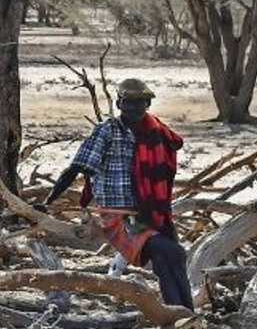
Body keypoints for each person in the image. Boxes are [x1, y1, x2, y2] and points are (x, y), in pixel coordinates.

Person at [36, 78, 193, 309]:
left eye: (140, 102)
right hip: (117, 217)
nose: (135, 108)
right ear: (119, 104)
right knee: (167, 249)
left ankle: (183, 315)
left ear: (148, 103)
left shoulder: (156, 132)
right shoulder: (106, 132)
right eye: (129, 102)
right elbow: (77, 168)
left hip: (148, 214)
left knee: (173, 255)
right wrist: (48, 202)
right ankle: (180, 314)